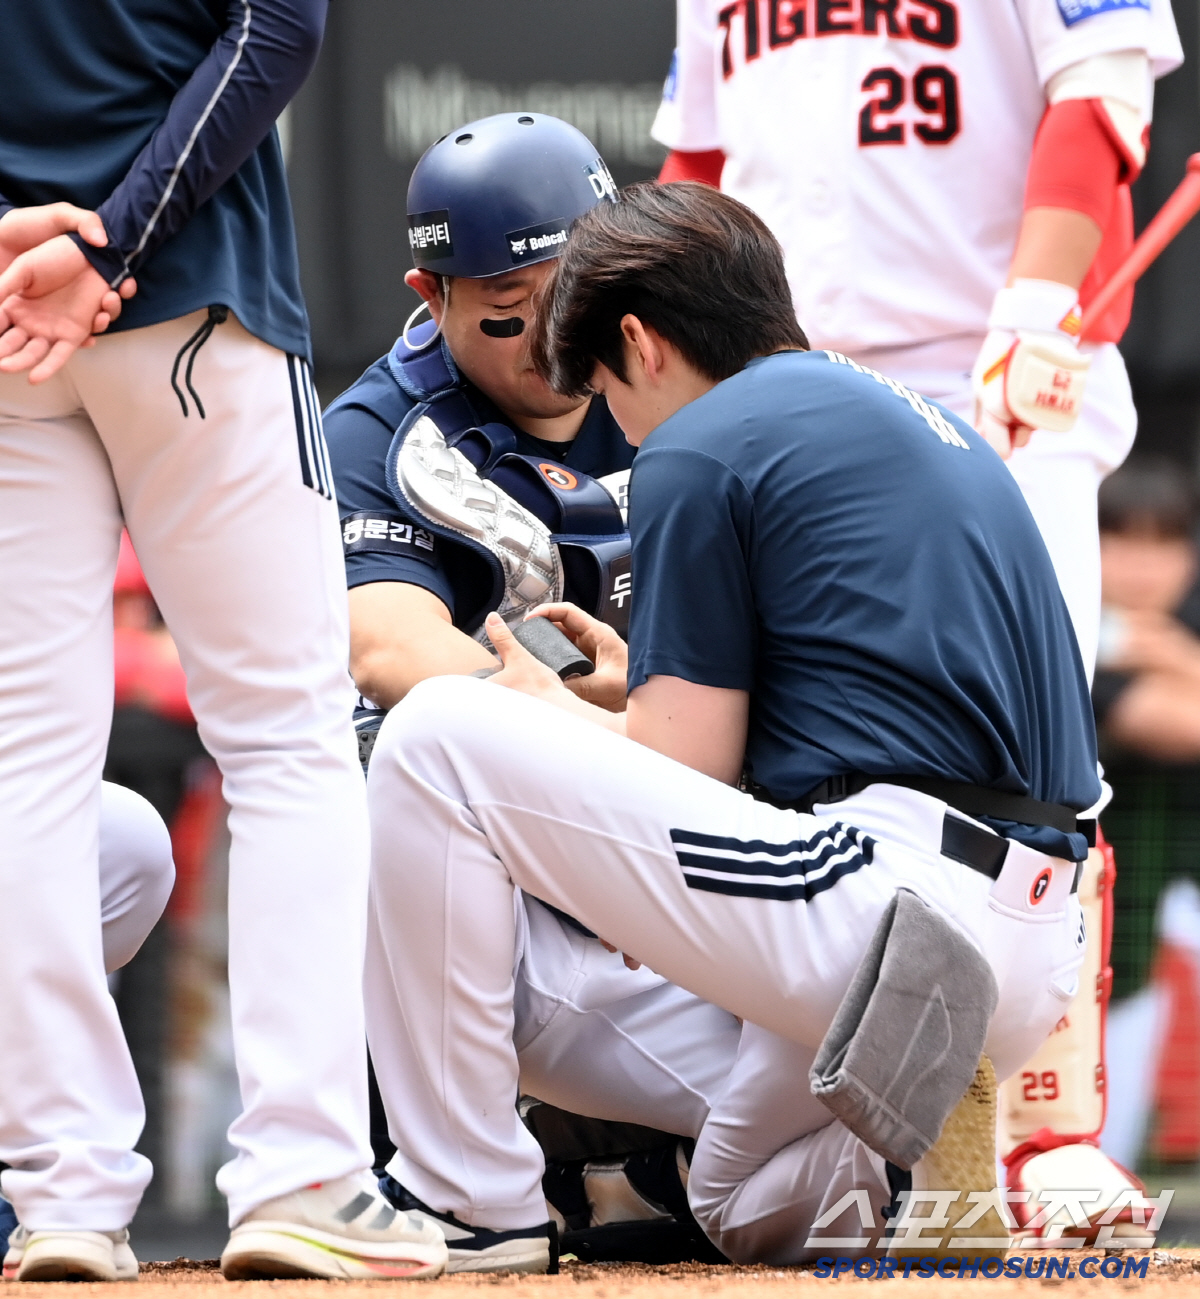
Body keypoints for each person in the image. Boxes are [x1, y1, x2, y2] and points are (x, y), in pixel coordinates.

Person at [364, 181, 1101, 1265]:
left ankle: (470, 1199)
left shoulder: (701, 442)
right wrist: (621, 689)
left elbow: (686, 771)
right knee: (736, 1194)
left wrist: (536, 709)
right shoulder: (924, 421)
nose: (610, 420)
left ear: (638, 340)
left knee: (436, 738)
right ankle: (913, 1168)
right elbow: (853, 713)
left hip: (896, 918)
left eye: (604, 386)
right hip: (1029, 944)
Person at [648, 0, 1183, 1238]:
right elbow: (697, 171)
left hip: (986, 365)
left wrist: (1042, 304)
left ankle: (1045, 1139)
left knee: (1037, 766)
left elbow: (1101, 91)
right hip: (779, 384)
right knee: (784, 760)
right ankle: (788, 1134)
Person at [0, 1, 444, 1281]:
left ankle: (65, 1197)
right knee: (289, 743)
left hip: (13, 316)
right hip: (186, 298)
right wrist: (115, 244)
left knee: (30, 765)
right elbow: (278, 29)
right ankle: (302, 1174)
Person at [323, 114, 742, 1274]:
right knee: (386, 758)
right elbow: (390, 647)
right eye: (507, 308)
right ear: (433, 293)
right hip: (527, 789)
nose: (551, 340)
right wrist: (587, 723)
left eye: (573, 298)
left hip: (686, 755)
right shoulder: (381, 429)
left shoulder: (680, 362)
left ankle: (651, 1153)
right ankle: (435, 1163)